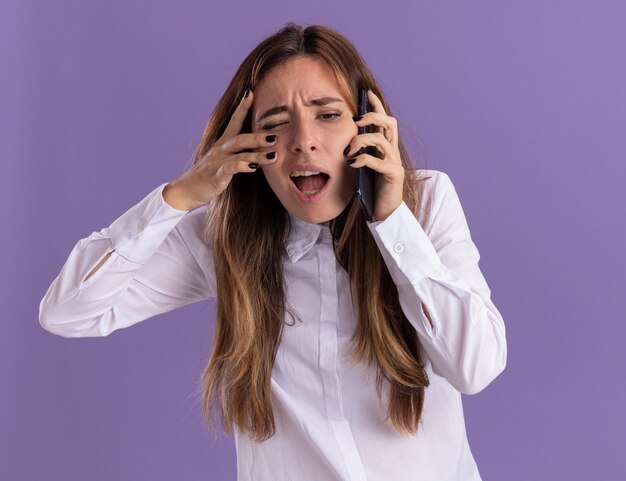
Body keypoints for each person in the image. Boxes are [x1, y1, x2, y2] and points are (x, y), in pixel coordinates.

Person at [39, 22, 507, 481]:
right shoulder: (224, 237)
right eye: (276, 124)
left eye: (327, 114)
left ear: (367, 124)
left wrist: (392, 226)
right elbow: (67, 312)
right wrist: (179, 195)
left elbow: (476, 366)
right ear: (247, 145)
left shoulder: (425, 205)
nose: (303, 140)